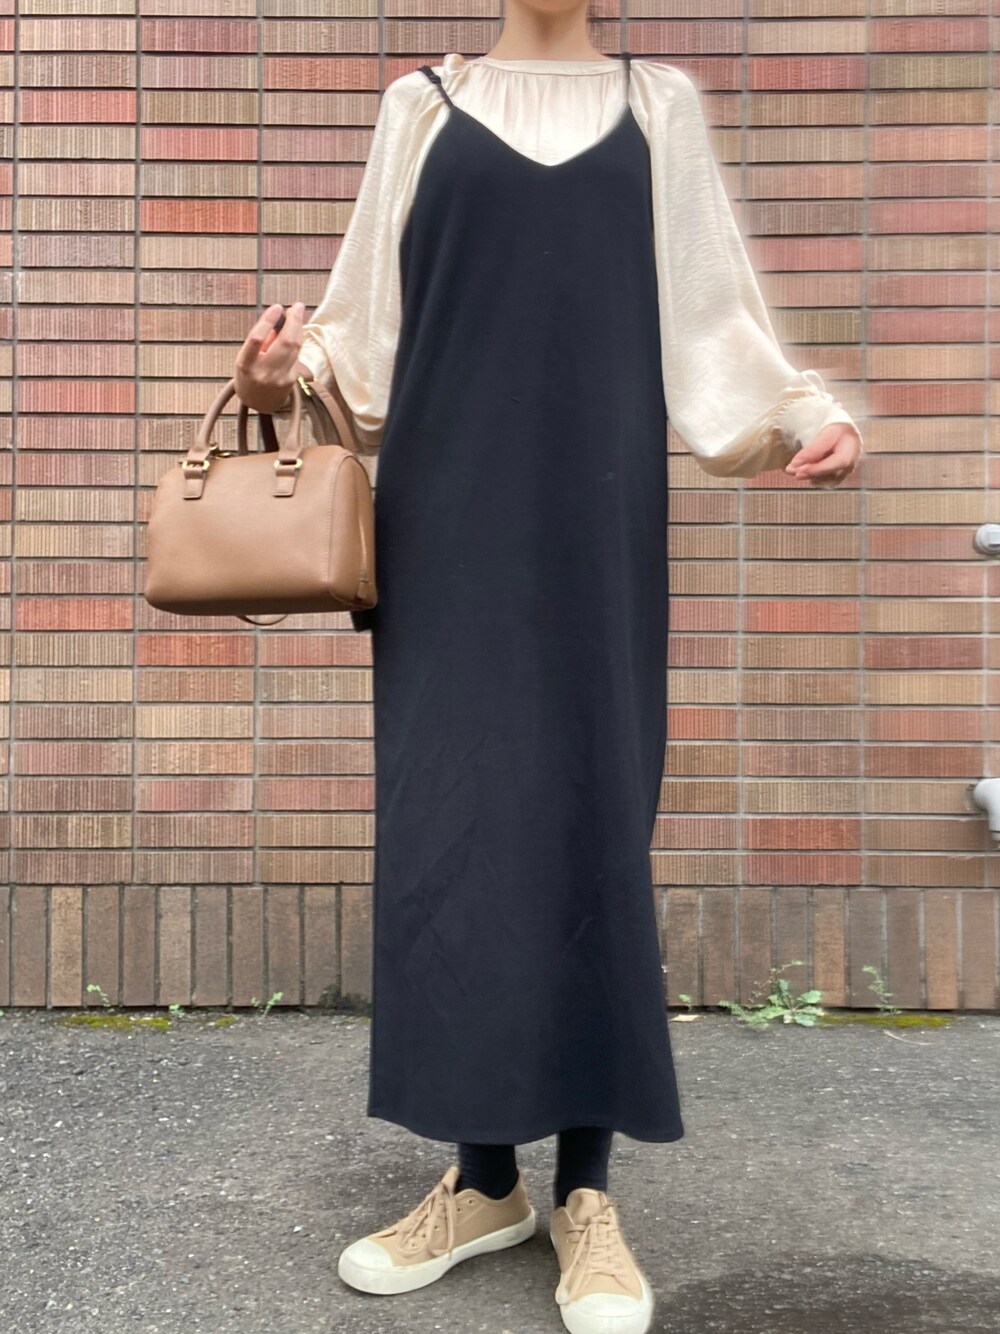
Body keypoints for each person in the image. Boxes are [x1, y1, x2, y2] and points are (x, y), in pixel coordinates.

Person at [235, 6, 864, 1332]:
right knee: (456, 826)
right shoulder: (420, 104)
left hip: (596, 525)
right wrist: (286, 377)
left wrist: (807, 410)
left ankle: (585, 1192)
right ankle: (482, 1183)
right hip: (445, 530)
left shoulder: (657, 106)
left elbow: (712, 315)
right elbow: (361, 334)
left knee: (590, 820)